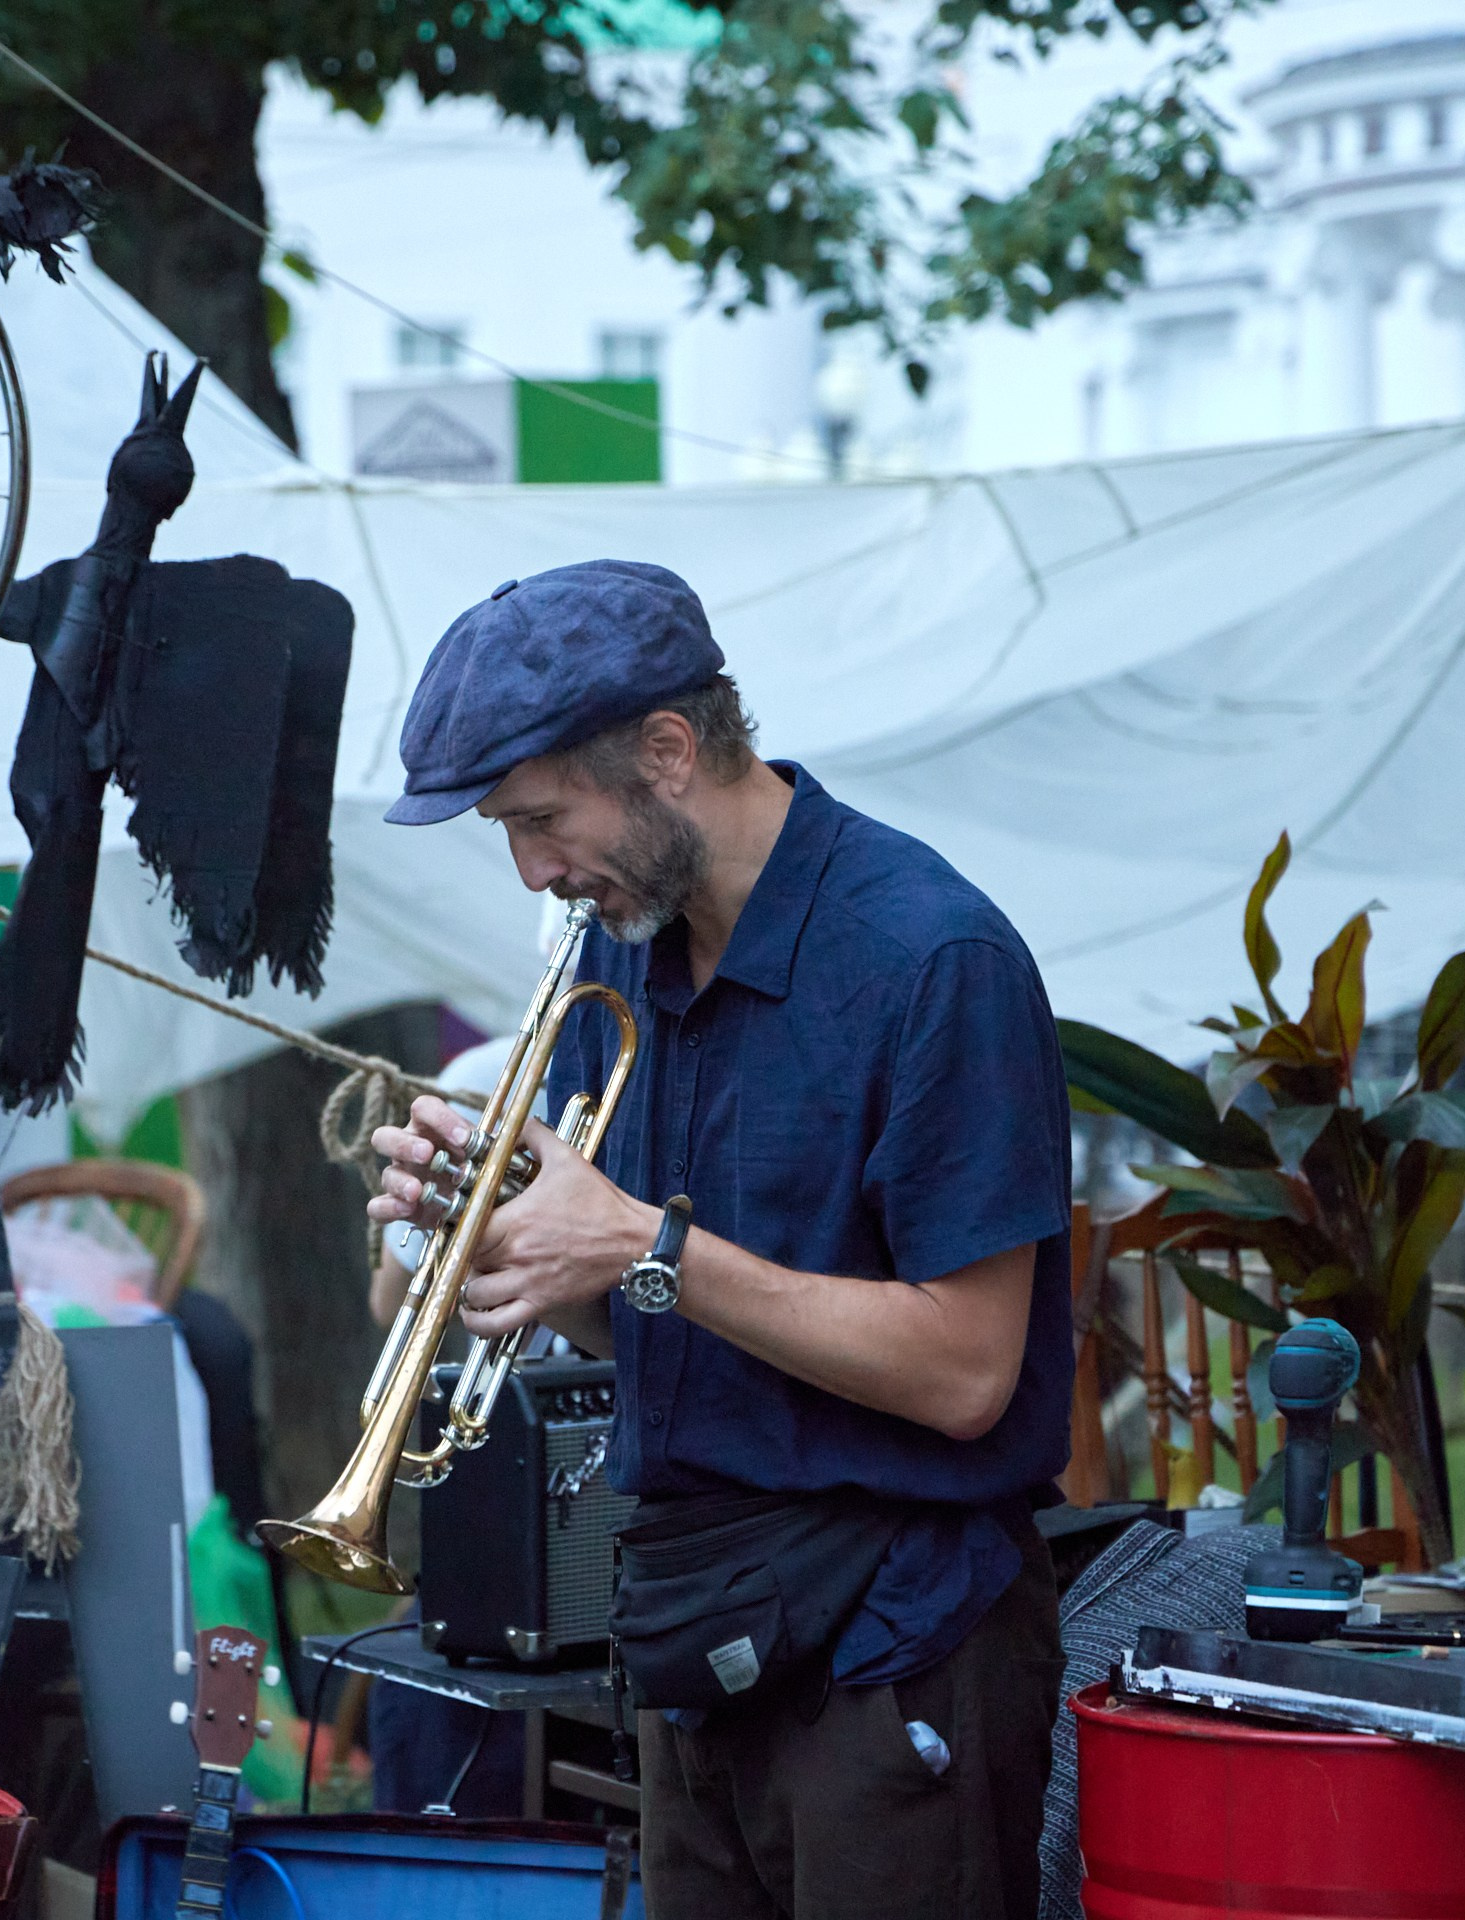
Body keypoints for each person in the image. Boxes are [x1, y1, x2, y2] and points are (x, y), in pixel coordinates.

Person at [366, 561, 1073, 1919]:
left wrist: (642, 1241)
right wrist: (498, 1253)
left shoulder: (934, 958)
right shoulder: (621, 947)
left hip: (893, 1644)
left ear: (669, 752)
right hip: (696, 1629)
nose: (532, 870)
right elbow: (647, 1311)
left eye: (541, 818)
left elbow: (970, 1371)